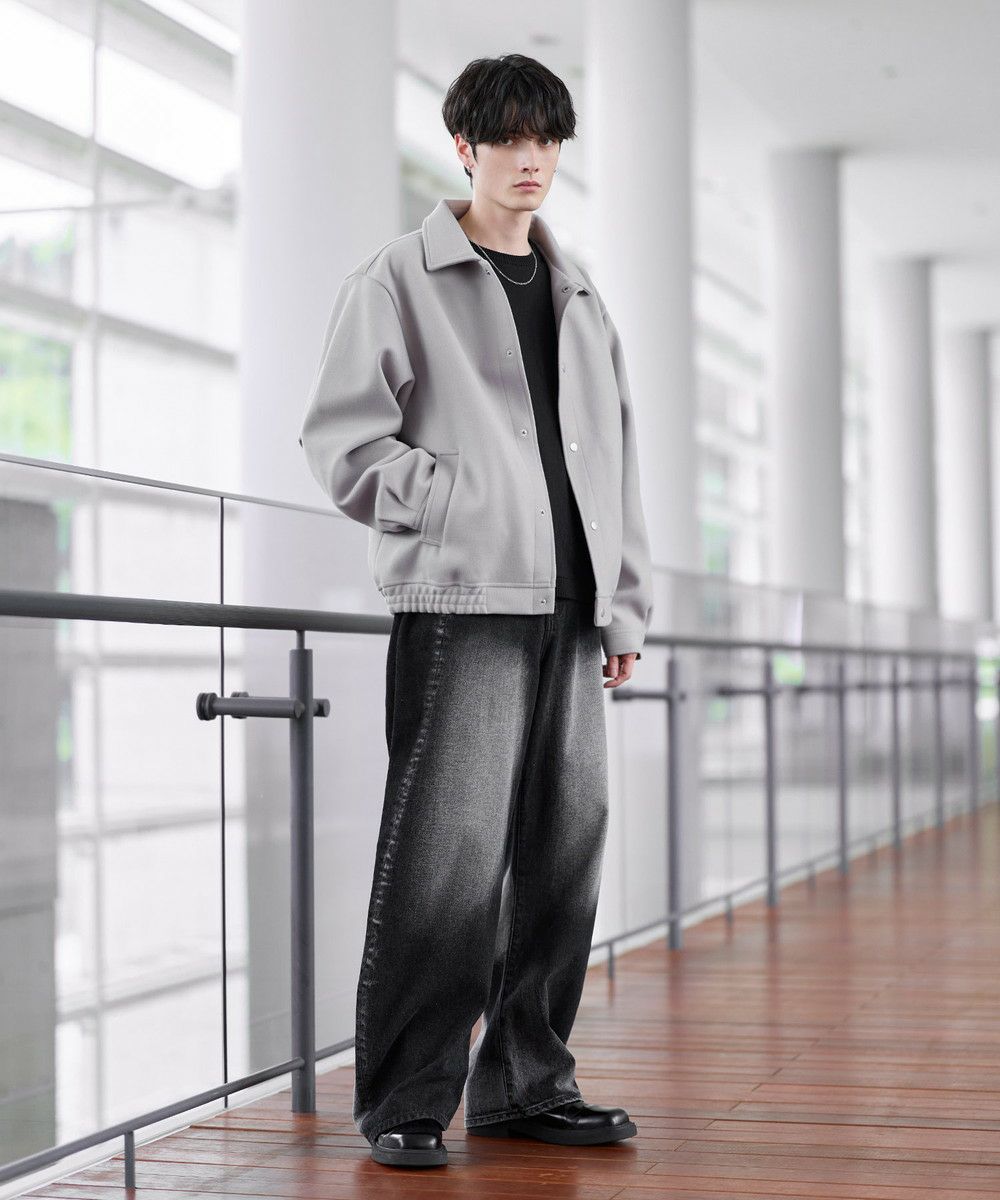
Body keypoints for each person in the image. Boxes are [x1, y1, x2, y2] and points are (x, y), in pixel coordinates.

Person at [299, 52, 653, 1169]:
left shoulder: (579, 294)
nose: (531, 159)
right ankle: (408, 1099)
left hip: (571, 608)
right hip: (465, 600)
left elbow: (616, 466)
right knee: (446, 865)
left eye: (547, 140)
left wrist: (623, 607)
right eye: (509, 138)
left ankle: (528, 1086)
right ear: (465, 147)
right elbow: (343, 444)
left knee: (562, 861)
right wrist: (456, 501)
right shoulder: (400, 277)